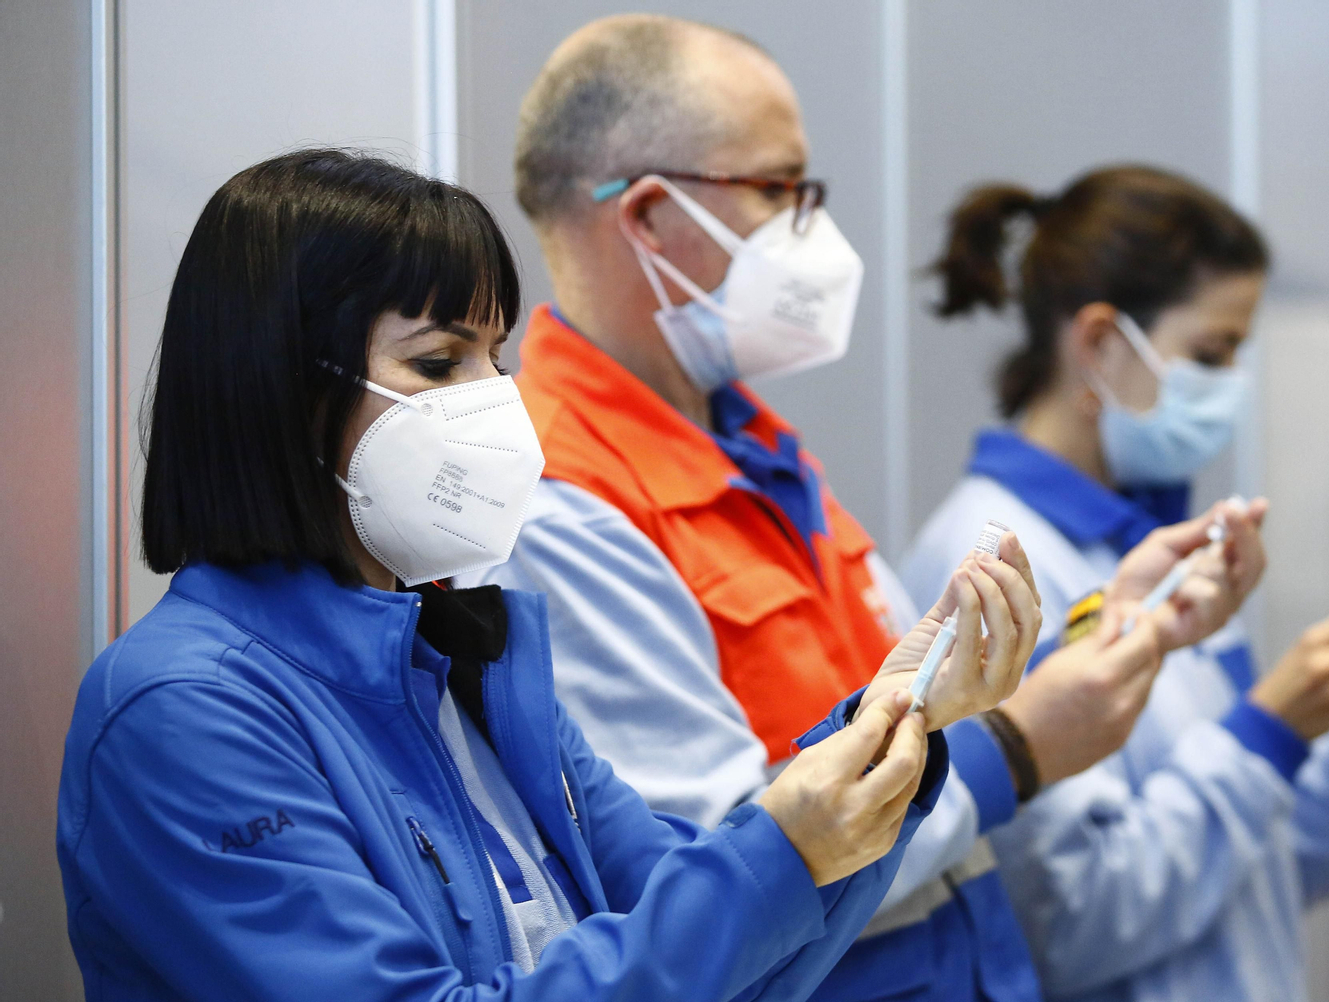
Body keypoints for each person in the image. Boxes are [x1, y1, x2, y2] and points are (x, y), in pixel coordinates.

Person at [53, 148, 1049, 1002]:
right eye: (440, 365)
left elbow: (732, 960)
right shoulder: (179, 712)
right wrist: (783, 851)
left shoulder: (467, 658)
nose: (497, 400)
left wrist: (899, 718)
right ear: (280, 396)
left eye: (495, 355)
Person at [464, 16, 1265, 1002]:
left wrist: (1113, 625)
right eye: (776, 188)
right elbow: (722, 866)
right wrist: (1015, 749)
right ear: (650, 217)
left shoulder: (757, 452)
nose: (810, 227)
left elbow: (928, 700)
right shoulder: (559, 498)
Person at [900, 165, 1329, 1002]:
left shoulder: (1153, 554)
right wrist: (1267, 732)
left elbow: (1268, 865)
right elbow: (1065, 923)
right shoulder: (989, 569)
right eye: (1211, 353)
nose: (1232, 388)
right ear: (1101, 344)